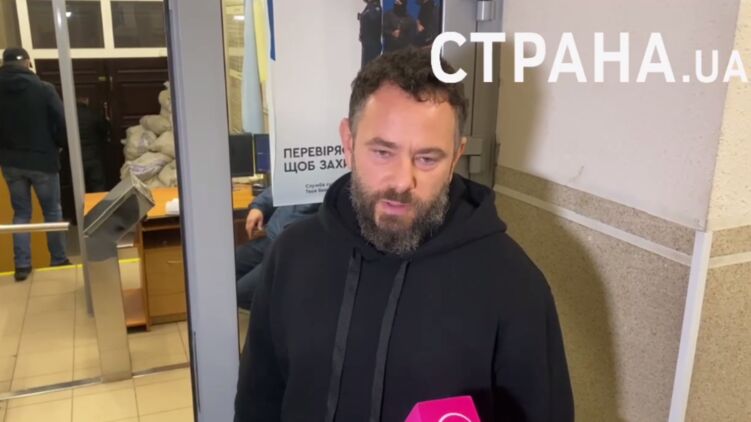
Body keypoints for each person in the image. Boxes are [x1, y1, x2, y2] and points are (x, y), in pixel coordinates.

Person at [235, 48, 573, 421]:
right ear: (348, 141)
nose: (401, 181)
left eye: (427, 158)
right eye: (383, 152)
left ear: (455, 157)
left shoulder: (513, 284)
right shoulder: (292, 256)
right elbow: (258, 402)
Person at [0, 47, 71, 282]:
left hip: (11, 163)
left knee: (21, 213)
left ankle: (22, 265)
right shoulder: (44, 89)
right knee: (52, 211)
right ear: (28, 63)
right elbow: (61, 122)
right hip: (43, 160)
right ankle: (58, 259)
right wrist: (59, 145)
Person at [235, 186, 319, 310]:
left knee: (241, 293)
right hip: (274, 236)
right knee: (226, 270)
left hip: (297, 247)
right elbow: (281, 186)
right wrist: (259, 207)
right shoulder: (300, 175)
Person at [76, 97, 109, 193]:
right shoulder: (94, 114)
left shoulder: (68, 116)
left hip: (76, 159)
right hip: (93, 156)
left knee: (77, 188)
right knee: (98, 186)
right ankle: (99, 203)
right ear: (86, 101)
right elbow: (105, 129)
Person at [358, 0, 383, 68]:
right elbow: (365, 18)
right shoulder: (369, 6)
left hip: (373, 44)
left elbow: (373, 17)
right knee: (365, 67)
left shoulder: (377, 7)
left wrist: (370, 3)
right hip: (366, 43)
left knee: (371, 67)